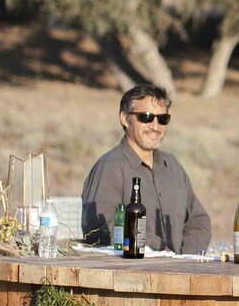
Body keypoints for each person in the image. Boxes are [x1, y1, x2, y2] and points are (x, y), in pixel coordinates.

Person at [81, 84, 212, 255]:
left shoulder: (172, 166)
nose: (155, 126)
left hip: (178, 272)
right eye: (146, 117)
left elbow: (199, 222)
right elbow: (99, 233)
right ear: (125, 119)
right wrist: (155, 249)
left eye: (162, 119)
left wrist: (182, 258)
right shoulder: (109, 168)